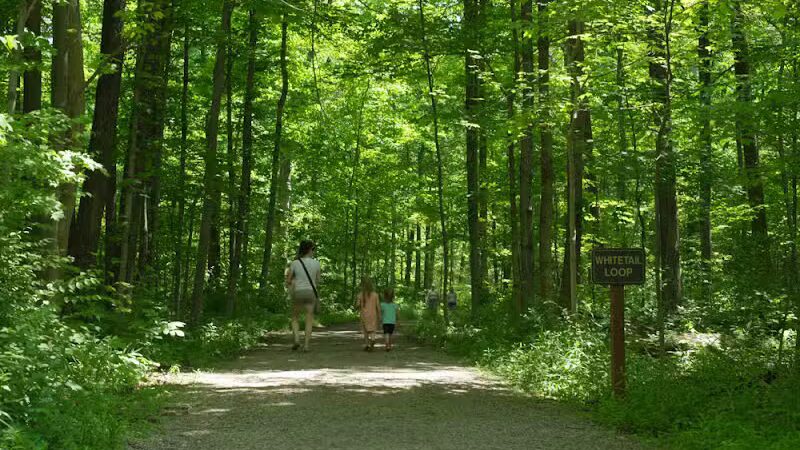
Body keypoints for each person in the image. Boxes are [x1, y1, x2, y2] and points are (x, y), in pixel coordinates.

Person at [285, 240, 321, 352]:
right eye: (313, 249)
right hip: (310, 293)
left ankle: (296, 339)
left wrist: (293, 284)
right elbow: (318, 281)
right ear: (310, 249)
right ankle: (306, 345)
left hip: (298, 292)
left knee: (295, 317)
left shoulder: (295, 263)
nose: (314, 252)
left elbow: (288, 280)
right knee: (309, 319)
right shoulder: (316, 263)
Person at [356, 276, 380, 351]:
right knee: (372, 330)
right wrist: (380, 315)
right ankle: (373, 339)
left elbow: (357, 305)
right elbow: (378, 306)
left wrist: (358, 306)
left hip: (364, 315)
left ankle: (367, 345)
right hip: (373, 315)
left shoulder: (360, 295)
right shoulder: (375, 295)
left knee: (365, 331)